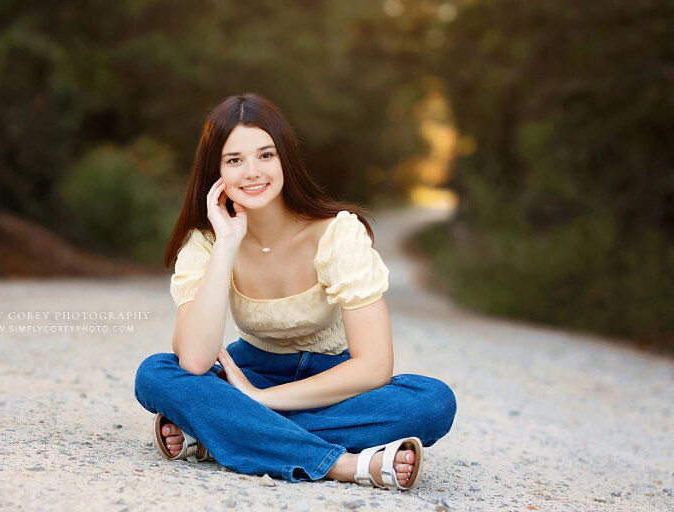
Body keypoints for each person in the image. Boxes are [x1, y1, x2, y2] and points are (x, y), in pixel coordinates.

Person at [134, 93, 456, 491]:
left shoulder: (337, 232)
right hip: (249, 370)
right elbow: (197, 360)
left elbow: (373, 366)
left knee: (432, 401)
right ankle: (344, 464)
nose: (252, 172)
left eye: (265, 155)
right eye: (234, 160)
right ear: (215, 172)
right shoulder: (207, 241)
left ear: (285, 157)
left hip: (332, 381)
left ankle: (220, 436)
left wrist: (261, 401)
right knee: (155, 374)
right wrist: (227, 243)